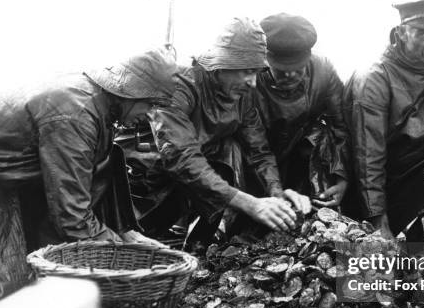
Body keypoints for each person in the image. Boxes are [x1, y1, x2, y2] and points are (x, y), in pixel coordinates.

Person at [0, 48, 178, 306]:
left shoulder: (98, 105)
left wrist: (124, 232)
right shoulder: (76, 114)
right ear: (130, 92)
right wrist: (121, 250)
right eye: (149, 103)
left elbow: (90, 177)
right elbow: (71, 216)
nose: (150, 114)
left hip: (6, 170)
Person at [125, 18, 311, 243]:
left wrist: (277, 194)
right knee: (137, 242)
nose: (253, 83)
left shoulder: (242, 95)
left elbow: (258, 150)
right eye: (247, 71)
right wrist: (249, 203)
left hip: (191, 178)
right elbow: (180, 155)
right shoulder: (180, 84)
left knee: (229, 150)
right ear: (223, 64)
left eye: (256, 72)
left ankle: (199, 247)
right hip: (143, 179)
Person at [344, 0, 424, 244]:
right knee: (375, 236)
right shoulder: (374, 78)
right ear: (401, 33)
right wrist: (376, 218)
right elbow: (367, 157)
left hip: (420, 166)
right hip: (376, 179)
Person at [254, 13, 350, 207]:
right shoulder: (249, 76)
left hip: (298, 152)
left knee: (322, 135)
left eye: (297, 67)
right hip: (254, 157)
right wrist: (275, 191)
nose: (289, 74)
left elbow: (342, 128)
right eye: (280, 68)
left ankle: (319, 204)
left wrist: (342, 177)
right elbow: (255, 147)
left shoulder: (323, 70)